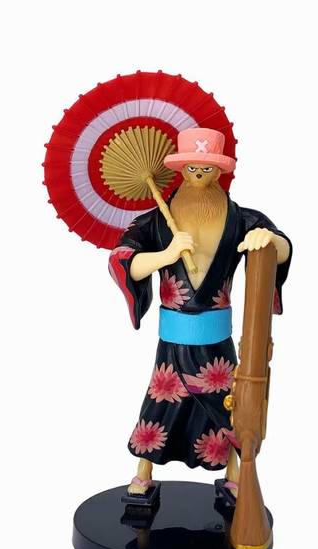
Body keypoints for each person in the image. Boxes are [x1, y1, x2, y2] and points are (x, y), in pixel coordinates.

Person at [108, 128, 292, 496]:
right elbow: (121, 259)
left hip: (217, 338)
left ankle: (235, 472)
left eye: (207, 169)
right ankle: (144, 470)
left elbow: (283, 247)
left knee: (227, 406)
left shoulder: (242, 219)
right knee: (160, 402)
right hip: (173, 338)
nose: (198, 176)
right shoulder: (155, 222)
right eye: (191, 168)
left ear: (221, 171)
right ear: (179, 169)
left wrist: (269, 241)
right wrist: (165, 255)